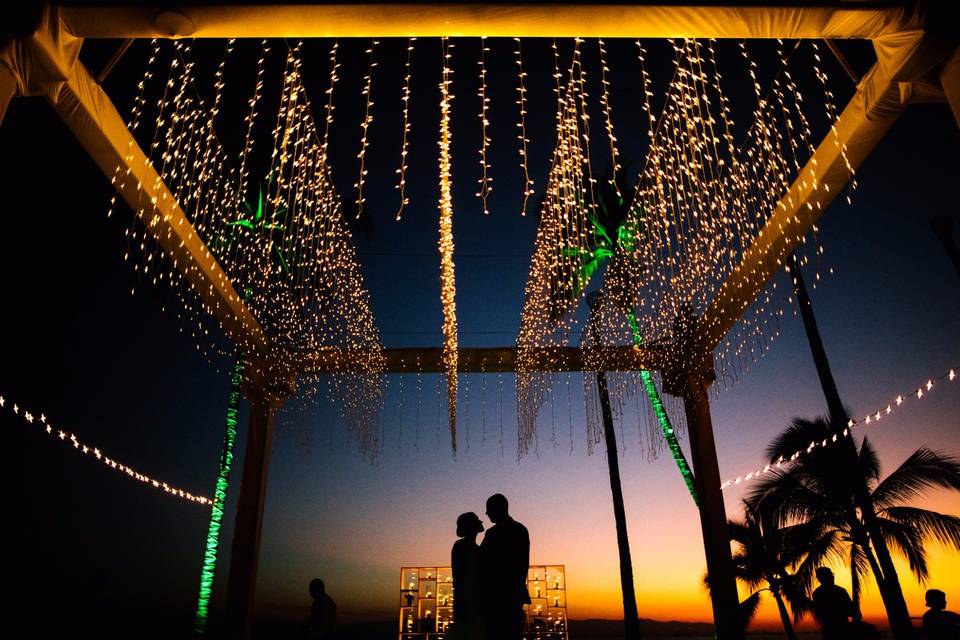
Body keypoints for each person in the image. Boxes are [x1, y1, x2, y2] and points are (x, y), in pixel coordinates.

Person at [479, 494, 531, 640]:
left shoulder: (497, 533)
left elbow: (521, 564)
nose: (487, 513)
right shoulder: (519, 529)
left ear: (498, 509)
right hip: (505, 595)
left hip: (502, 596)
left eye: (488, 509)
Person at [450, 512, 486, 640]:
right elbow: (461, 576)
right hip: (467, 600)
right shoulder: (461, 546)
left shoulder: (476, 548)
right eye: (477, 520)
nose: (481, 522)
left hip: (473, 599)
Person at [812, 567, 853, 640]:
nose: (833, 576)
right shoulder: (840, 591)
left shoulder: (817, 593)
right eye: (830, 575)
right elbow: (851, 611)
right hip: (842, 630)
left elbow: (818, 614)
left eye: (832, 574)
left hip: (828, 630)